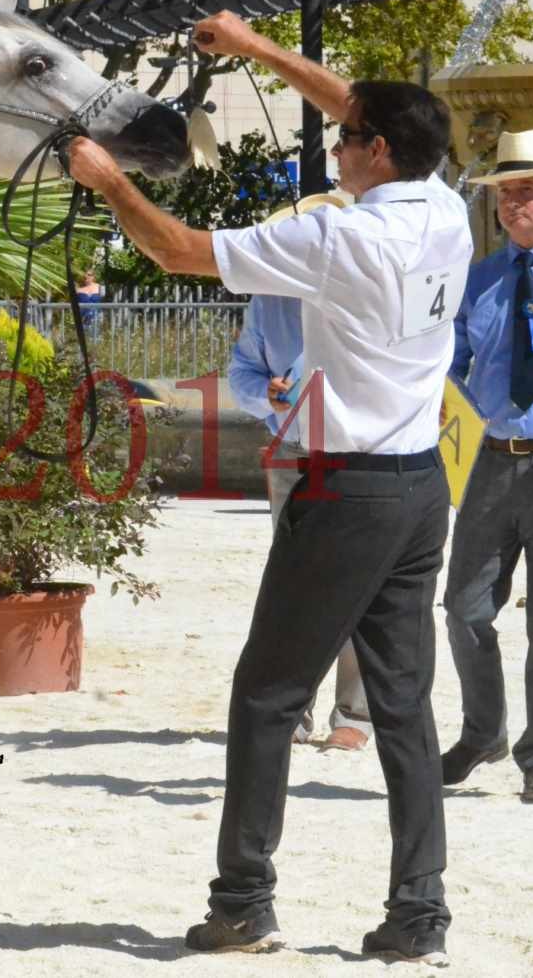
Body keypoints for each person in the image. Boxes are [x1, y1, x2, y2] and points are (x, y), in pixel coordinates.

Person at [67, 9, 469, 965]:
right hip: (418, 485)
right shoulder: (443, 206)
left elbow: (178, 252)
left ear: (374, 152)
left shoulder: (344, 239)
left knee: (265, 694)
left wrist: (109, 178)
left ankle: (242, 901)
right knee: (405, 708)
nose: (334, 140)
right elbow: (369, 112)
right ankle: (418, 912)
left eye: (344, 136)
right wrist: (253, 50)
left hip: (347, 491)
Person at [227, 206, 371, 754]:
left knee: (356, 578)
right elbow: (242, 371)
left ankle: (355, 714)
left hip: (355, 451)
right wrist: (263, 392)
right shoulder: (269, 302)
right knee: (292, 582)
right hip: (292, 450)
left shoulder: (364, 296)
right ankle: (293, 708)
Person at [440, 129, 533, 805]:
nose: (510, 204)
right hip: (487, 465)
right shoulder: (479, 279)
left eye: (525, 191)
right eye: (504, 194)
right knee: (462, 608)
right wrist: (443, 457)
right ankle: (483, 732)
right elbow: (447, 370)